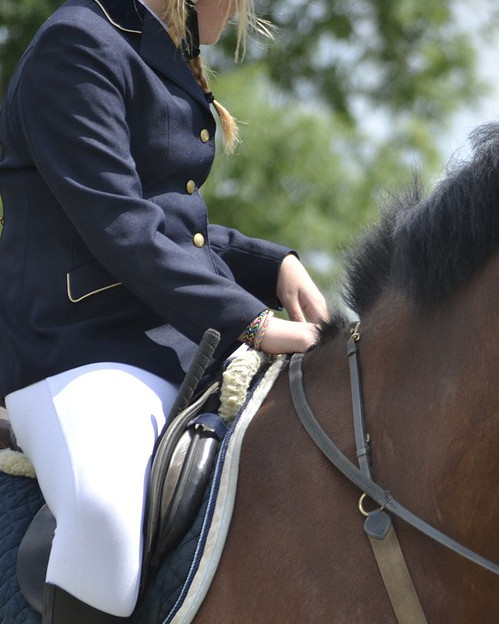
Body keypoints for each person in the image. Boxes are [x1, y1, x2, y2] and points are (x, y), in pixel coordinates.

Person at [0, 0, 328, 620]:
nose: (242, 9)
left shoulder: (154, 50)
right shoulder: (75, 43)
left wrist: (273, 263)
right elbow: (119, 222)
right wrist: (252, 321)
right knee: (104, 513)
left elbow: (172, 225)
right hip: (79, 351)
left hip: (174, 344)